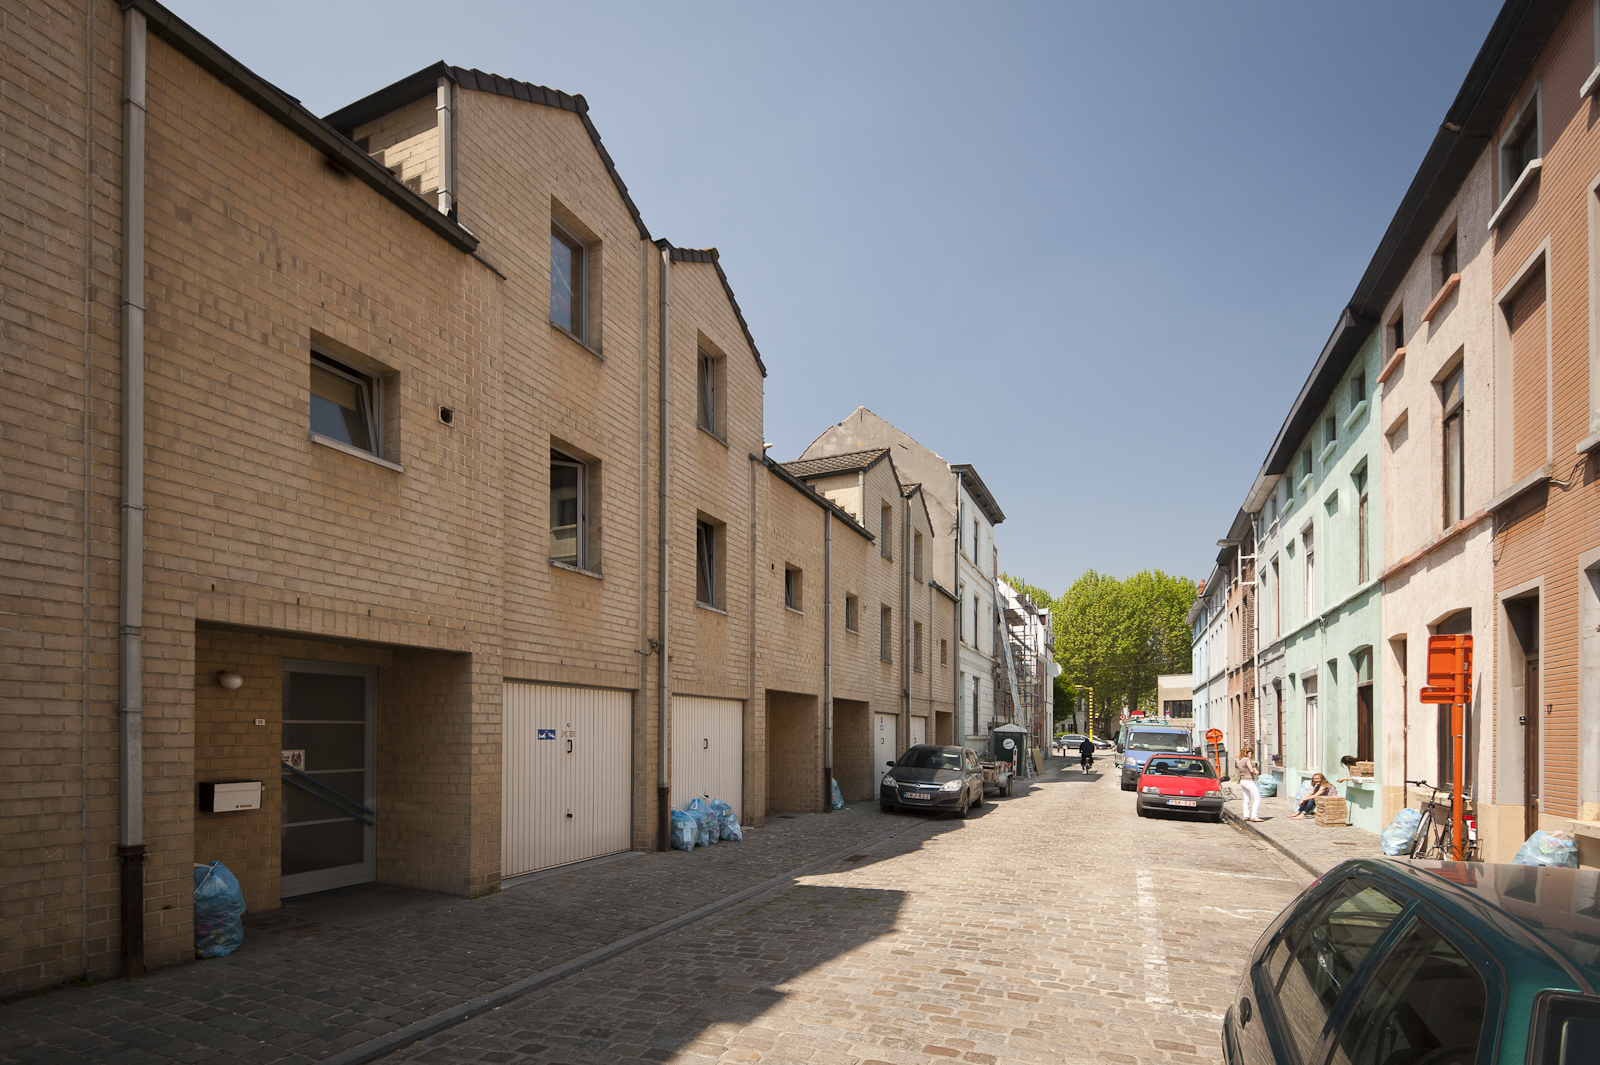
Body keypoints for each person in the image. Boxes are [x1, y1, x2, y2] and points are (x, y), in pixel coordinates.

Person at [1236, 745, 1262, 821]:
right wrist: (1255, 770)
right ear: (1247, 753)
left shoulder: (1239, 760)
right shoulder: (1247, 759)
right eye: (1250, 754)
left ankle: (1246, 815)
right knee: (1257, 799)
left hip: (1243, 780)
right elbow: (1251, 770)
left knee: (1247, 799)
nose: (1251, 755)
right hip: (1249, 781)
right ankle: (1254, 816)